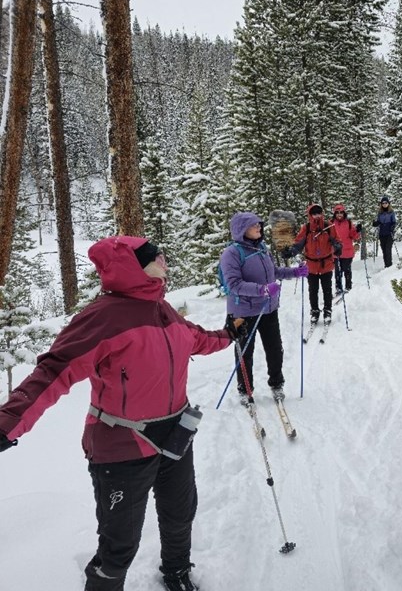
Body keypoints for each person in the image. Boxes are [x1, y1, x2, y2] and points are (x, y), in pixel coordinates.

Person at [0, 235, 242, 591]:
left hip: (176, 436)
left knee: (180, 515)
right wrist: (8, 423)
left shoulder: (163, 309)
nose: (164, 260)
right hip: (123, 445)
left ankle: (176, 573)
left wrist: (229, 334)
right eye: (156, 256)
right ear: (137, 265)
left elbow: (196, 338)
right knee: (119, 544)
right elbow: (53, 370)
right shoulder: (103, 316)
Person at [218, 212, 308, 404]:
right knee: (245, 353)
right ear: (242, 230)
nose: (259, 227)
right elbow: (234, 284)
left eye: (259, 224)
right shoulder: (231, 254)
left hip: (268, 308)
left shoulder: (262, 248)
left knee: (275, 349)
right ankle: (245, 390)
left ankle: (277, 384)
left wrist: (295, 272)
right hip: (243, 313)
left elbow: (273, 272)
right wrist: (262, 290)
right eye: (254, 225)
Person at [283, 203, 342, 324]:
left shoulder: (328, 226)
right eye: (314, 213)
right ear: (310, 215)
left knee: (327, 289)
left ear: (322, 213)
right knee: (313, 290)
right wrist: (290, 252)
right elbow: (299, 244)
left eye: (318, 213)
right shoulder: (307, 228)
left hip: (326, 264)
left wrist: (338, 246)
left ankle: (328, 311)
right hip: (311, 265)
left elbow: (337, 240)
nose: (316, 216)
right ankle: (314, 311)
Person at [330, 203, 361, 293]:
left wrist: (357, 231)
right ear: (335, 214)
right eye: (337, 212)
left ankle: (348, 286)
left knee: (346, 270)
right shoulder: (331, 223)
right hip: (336, 251)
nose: (339, 214)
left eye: (341, 212)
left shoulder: (348, 223)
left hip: (347, 251)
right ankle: (338, 287)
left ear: (344, 213)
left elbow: (354, 236)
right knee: (337, 271)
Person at [372, 195, 396, 268]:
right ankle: (386, 265)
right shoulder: (380, 213)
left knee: (388, 249)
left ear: (388, 203)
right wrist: (376, 223)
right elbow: (378, 221)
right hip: (382, 233)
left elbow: (394, 221)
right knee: (384, 250)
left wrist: (392, 227)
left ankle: (389, 265)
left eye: (386, 203)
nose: (384, 204)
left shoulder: (391, 212)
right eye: (383, 203)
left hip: (389, 233)